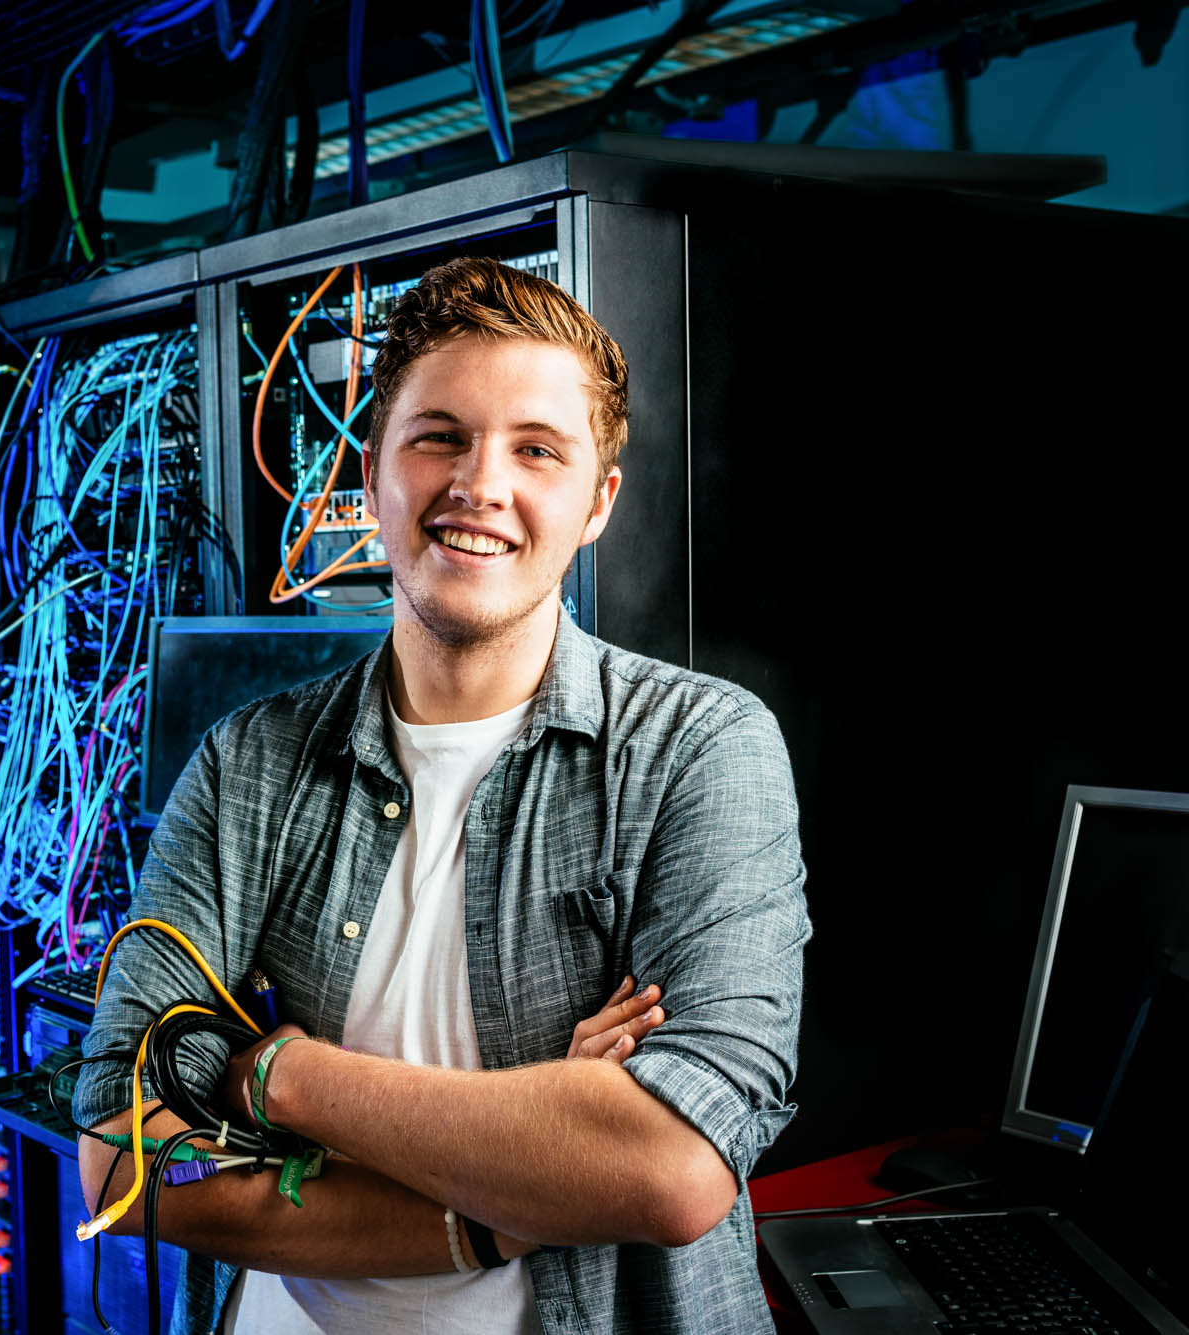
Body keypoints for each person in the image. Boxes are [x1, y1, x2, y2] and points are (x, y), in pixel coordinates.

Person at [73, 256, 810, 1334]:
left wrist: (273, 1076)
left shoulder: (697, 750)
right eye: (437, 437)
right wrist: (504, 1208)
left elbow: (670, 1171)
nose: (479, 484)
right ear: (371, 473)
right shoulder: (251, 763)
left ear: (596, 502)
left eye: (534, 451)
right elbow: (122, 1159)